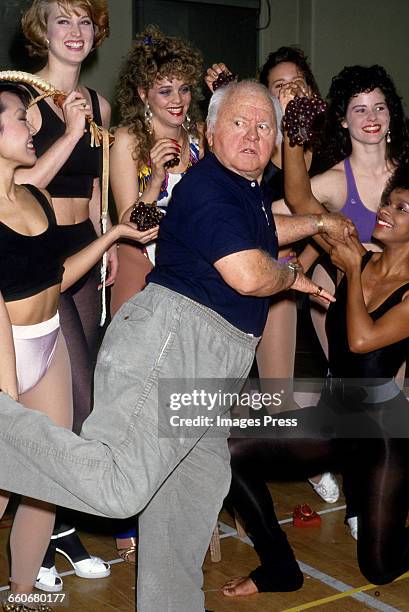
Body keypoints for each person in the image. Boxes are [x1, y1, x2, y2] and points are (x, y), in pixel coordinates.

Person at [0, 80, 350, 612]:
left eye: (263, 126)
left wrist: (319, 220)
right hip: (173, 342)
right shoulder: (208, 187)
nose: (252, 135)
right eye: (238, 123)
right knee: (119, 487)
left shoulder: (244, 193)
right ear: (208, 133)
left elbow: (263, 227)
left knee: (189, 500)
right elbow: (250, 274)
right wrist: (293, 272)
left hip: (214, 361)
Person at [222, 155, 409, 598]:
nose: (385, 210)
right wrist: (293, 138)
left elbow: (363, 340)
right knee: (229, 450)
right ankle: (279, 568)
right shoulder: (358, 256)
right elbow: (304, 200)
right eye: (389, 201)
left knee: (379, 569)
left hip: (385, 434)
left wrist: (353, 270)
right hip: (334, 421)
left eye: (402, 208)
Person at [0, 81, 157, 598]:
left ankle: (22, 592)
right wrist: (7, 390)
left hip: (47, 345)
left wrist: (112, 236)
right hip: (4, 349)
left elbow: (58, 277)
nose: (29, 128)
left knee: (45, 478)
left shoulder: (32, 197)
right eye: (20, 119)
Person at [279, 64, 409, 538]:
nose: (371, 117)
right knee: (360, 401)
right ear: (342, 120)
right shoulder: (337, 181)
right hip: (355, 308)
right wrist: (293, 132)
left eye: (379, 106)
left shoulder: (407, 175)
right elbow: (297, 198)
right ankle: (362, 496)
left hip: (404, 310)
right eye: (359, 109)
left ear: (392, 114)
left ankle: (386, 494)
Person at [205, 49, 339, 503]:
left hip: (322, 259)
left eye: (297, 81)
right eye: (278, 85)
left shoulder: (328, 138)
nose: (290, 90)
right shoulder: (261, 144)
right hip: (274, 265)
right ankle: (281, 461)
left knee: (350, 371)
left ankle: (337, 456)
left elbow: (328, 212)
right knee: (275, 388)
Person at [16, 0, 117, 588]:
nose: (76, 32)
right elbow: (19, 183)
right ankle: (54, 529)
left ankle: (54, 522)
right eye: (63, 21)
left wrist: (104, 239)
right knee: (70, 400)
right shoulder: (24, 103)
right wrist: (71, 128)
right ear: (42, 31)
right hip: (44, 252)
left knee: (87, 401)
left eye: (85, 21)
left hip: (85, 250)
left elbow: (97, 184)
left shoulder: (100, 104)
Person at [109, 27, 204, 561]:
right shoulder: (127, 140)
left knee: (183, 404)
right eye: (165, 89)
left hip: (188, 278)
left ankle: (176, 513)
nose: (176, 100)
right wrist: (154, 183)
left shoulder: (201, 139)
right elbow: (130, 223)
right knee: (137, 404)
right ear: (144, 93)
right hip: (140, 271)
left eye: (184, 89)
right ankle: (126, 519)